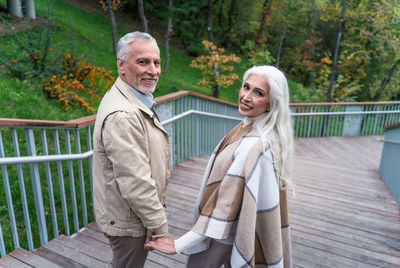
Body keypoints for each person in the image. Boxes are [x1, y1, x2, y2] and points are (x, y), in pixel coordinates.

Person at [145, 65, 293, 268]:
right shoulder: (261, 131)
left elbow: (224, 207)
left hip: (223, 237)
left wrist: (178, 244)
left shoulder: (254, 145)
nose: (246, 97)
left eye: (258, 93)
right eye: (246, 87)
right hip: (235, 230)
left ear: (271, 104)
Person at [92, 31, 171, 268]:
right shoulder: (124, 116)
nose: (153, 70)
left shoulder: (132, 99)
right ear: (121, 65)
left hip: (129, 215)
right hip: (129, 221)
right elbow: (136, 181)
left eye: (156, 62)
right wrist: (159, 229)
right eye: (143, 62)